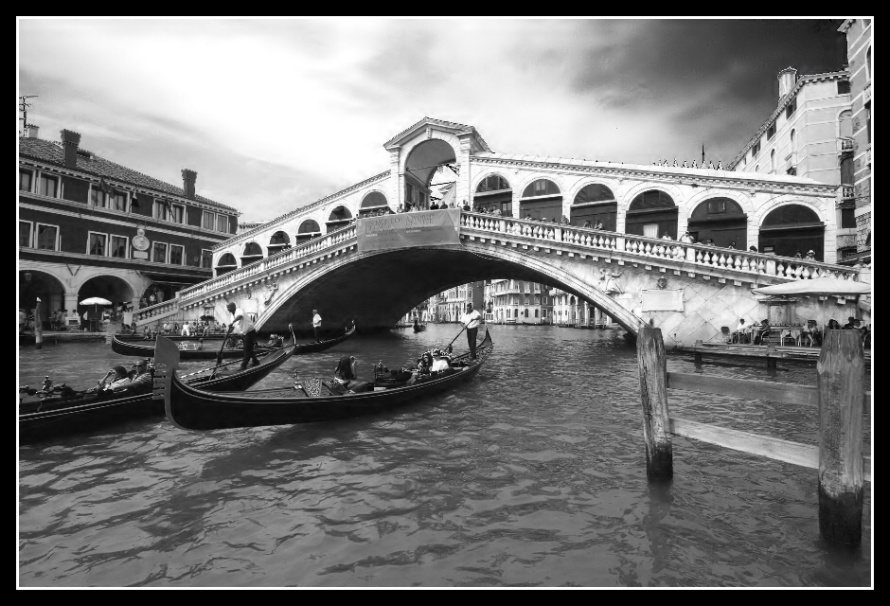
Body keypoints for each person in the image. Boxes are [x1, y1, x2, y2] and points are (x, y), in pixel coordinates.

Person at [226, 301, 259, 370]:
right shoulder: (232, 316)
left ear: (234, 307)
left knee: (246, 349)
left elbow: (240, 316)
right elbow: (232, 327)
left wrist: (232, 322)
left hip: (250, 332)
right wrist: (227, 333)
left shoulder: (239, 310)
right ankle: (255, 361)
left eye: (229, 307)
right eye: (227, 307)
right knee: (249, 349)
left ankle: (243, 365)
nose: (228, 309)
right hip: (244, 333)